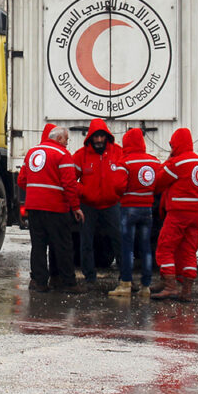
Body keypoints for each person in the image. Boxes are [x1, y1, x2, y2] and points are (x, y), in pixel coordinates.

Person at [17, 124, 85, 294]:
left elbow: (21, 180)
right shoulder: (62, 154)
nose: (67, 143)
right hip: (56, 207)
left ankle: (39, 281)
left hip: (34, 207)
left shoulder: (32, 153)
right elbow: (69, 184)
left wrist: (36, 190)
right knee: (62, 245)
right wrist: (75, 207)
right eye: (67, 139)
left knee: (38, 245)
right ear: (59, 138)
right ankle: (68, 282)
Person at [152, 127, 198, 301]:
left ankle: (170, 286)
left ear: (177, 144)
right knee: (189, 250)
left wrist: (167, 162)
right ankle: (186, 290)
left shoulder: (177, 163)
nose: (171, 148)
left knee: (165, 246)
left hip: (178, 213)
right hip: (196, 214)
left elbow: (159, 182)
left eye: (172, 145)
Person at [72, 118, 126, 286]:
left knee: (119, 240)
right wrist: (83, 191)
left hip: (112, 204)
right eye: (95, 137)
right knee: (86, 242)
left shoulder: (118, 152)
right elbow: (70, 179)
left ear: (106, 137)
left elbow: (128, 174)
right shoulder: (81, 155)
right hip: (88, 205)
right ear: (90, 138)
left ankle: (125, 277)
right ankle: (89, 277)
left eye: (102, 136)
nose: (99, 140)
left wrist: (121, 192)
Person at [109, 128, 160, 298]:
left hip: (129, 208)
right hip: (147, 208)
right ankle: (146, 285)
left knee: (127, 248)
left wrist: (123, 194)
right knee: (146, 247)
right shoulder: (153, 162)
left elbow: (117, 185)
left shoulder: (124, 162)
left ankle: (125, 284)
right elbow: (159, 183)